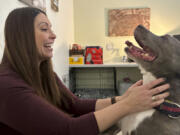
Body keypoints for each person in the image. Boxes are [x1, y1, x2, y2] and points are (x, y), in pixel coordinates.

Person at [0, 7, 170, 135]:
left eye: (51, 28)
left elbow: (74, 104)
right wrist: (127, 105)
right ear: (21, 36)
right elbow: (68, 130)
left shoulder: (45, 75)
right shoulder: (7, 86)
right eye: (44, 29)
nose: (53, 35)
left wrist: (122, 99)